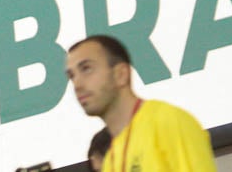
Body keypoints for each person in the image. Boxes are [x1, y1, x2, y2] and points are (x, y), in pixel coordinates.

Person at [66, 35, 217, 169]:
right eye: (72, 76)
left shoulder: (167, 122)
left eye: (86, 68)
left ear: (121, 74)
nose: (77, 85)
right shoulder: (111, 160)